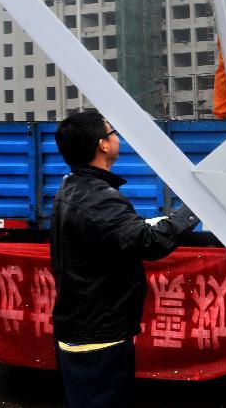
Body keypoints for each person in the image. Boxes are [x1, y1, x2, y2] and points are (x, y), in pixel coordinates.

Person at [50, 111, 199, 408]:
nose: (117, 137)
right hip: (98, 338)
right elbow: (150, 243)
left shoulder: (74, 187)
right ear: (102, 145)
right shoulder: (99, 198)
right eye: (112, 132)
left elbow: (120, 233)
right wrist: (194, 207)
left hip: (83, 327)